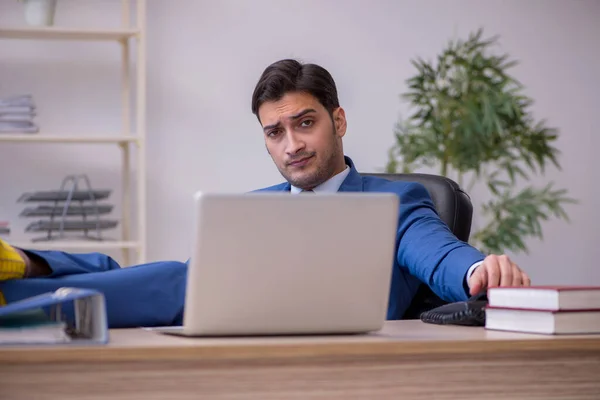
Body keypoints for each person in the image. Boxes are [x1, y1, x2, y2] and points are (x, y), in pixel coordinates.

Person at [0, 59, 531, 328]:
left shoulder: (396, 201)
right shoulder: (255, 206)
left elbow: (438, 253)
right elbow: (193, 291)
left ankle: (16, 290)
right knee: (172, 280)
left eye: (305, 123)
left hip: (345, 356)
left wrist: (477, 270)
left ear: (338, 120)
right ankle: (26, 268)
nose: (292, 144)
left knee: (180, 283)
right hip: (245, 343)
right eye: (274, 132)